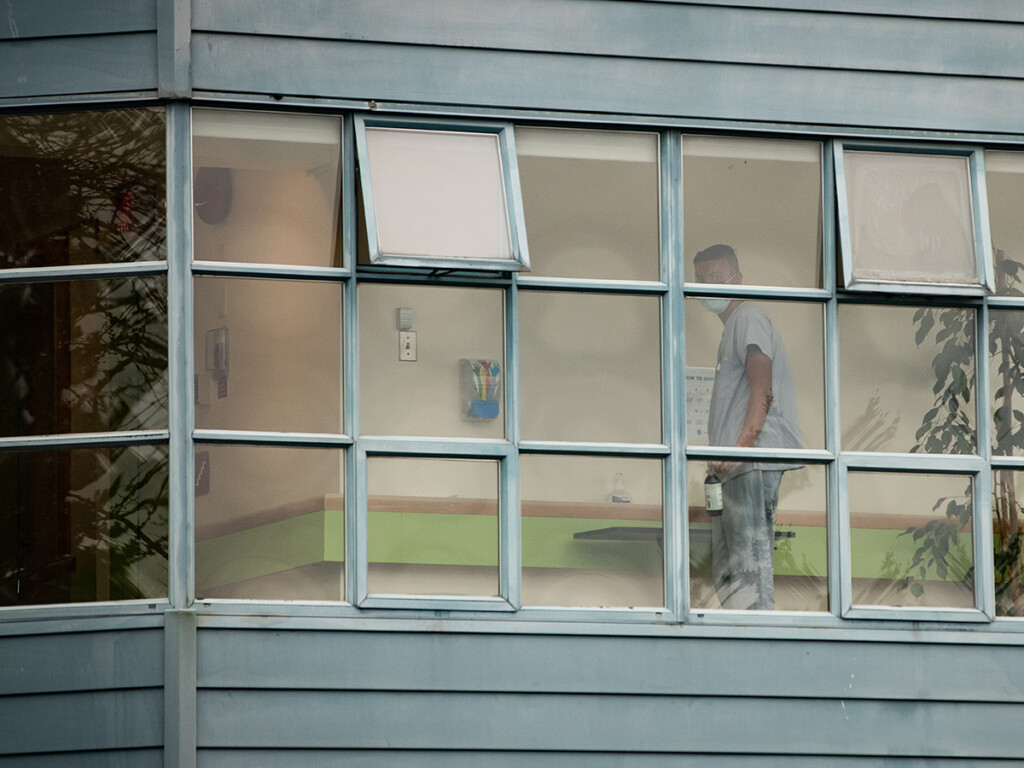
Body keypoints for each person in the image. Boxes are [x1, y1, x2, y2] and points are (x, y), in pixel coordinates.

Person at [694, 243, 801, 610]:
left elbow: (762, 387)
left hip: (749, 462)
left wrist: (741, 447)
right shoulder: (732, 330)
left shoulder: (748, 316)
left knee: (749, 573)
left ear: (737, 280)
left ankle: (758, 654)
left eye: (717, 278)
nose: (708, 286)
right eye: (702, 280)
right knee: (731, 573)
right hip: (734, 467)